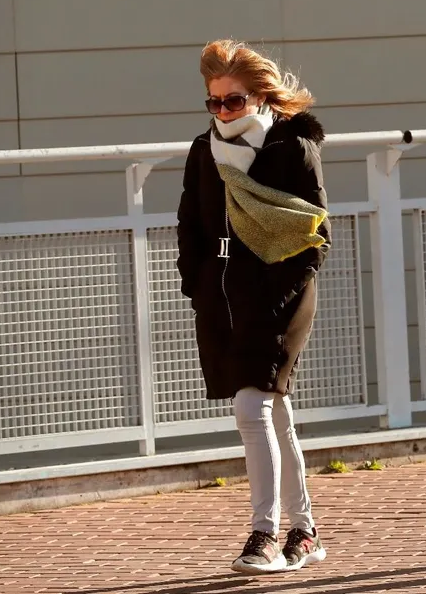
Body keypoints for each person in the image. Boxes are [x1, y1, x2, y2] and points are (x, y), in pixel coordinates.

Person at [176, 39, 331, 575]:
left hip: (280, 294)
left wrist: (280, 286)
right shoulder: (203, 151)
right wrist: (195, 284)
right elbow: (189, 224)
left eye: (233, 101)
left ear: (260, 97)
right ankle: (304, 531)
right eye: (214, 102)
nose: (223, 112)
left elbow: (316, 231)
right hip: (221, 294)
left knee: (251, 407)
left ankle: (263, 533)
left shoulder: (292, 149)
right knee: (275, 410)